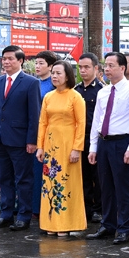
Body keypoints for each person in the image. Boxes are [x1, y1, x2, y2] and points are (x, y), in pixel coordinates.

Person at [86, 52, 129, 244]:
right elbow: (97, 120)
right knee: (105, 186)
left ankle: (124, 228)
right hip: (104, 142)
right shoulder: (103, 91)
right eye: (106, 65)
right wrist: (93, 146)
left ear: (123, 68)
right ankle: (108, 224)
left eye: (112, 65)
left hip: (122, 142)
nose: (107, 69)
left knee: (123, 187)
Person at [0, 45, 42, 231]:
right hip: (0, 139)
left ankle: (23, 216)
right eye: (4, 59)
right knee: (4, 179)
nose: (6, 62)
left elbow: (35, 114)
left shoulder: (31, 82)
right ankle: (5, 214)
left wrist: (32, 140)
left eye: (10, 59)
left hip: (20, 140)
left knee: (23, 179)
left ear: (21, 61)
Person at [36, 60, 87, 236]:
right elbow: (42, 123)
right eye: (53, 73)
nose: (54, 76)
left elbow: (81, 124)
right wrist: (40, 147)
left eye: (58, 73)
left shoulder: (75, 96)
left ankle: (66, 224)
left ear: (67, 76)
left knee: (66, 183)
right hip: (51, 145)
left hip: (68, 144)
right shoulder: (48, 97)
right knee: (49, 183)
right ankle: (51, 223)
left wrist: (77, 148)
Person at [74, 53, 104, 223]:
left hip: (96, 139)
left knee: (98, 177)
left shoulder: (102, 89)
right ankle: (85, 208)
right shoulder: (76, 90)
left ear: (96, 68)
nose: (83, 70)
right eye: (81, 67)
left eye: (87, 67)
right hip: (80, 138)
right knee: (82, 176)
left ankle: (99, 209)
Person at [31, 50, 60, 220]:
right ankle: (34, 207)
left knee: (47, 172)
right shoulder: (33, 83)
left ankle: (46, 208)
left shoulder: (53, 85)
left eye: (41, 63)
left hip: (51, 135)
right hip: (34, 134)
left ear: (50, 66)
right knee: (33, 173)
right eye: (36, 63)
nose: (37, 66)